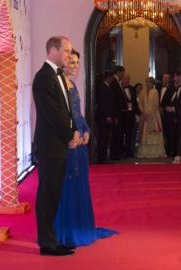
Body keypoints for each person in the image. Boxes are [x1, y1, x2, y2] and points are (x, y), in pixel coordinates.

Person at [54, 49, 117, 247]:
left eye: (77, 63)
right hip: (70, 139)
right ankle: (67, 230)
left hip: (81, 140)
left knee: (80, 184)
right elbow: (60, 116)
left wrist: (87, 130)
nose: (74, 66)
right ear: (63, 62)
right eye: (71, 62)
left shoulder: (72, 84)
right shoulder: (58, 85)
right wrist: (72, 135)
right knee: (68, 184)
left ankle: (80, 226)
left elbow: (78, 113)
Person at [32, 36, 79, 256]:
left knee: (54, 194)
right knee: (47, 195)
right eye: (66, 51)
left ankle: (52, 239)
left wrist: (75, 131)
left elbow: (66, 112)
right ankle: (47, 244)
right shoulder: (43, 78)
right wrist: (70, 134)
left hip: (59, 144)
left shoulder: (57, 76)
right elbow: (52, 114)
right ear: (53, 50)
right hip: (51, 146)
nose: (69, 55)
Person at [136, 77, 167, 158]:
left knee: (154, 132)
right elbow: (140, 103)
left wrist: (148, 113)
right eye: (146, 82)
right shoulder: (142, 92)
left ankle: (155, 153)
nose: (147, 84)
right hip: (144, 115)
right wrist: (143, 111)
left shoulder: (155, 91)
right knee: (144, 133)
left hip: (153, 115)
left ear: (153, 84)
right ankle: (145, 153)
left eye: (149, 82)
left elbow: (155, 104)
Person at [96, 71, 114, 163]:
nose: (113, 80)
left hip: (106, 116)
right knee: (103, 137)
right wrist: (107, 115)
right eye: (112, 78)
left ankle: (103, 157)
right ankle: (101, 158)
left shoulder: (106, 86)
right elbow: (103, 103)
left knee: (106, 137)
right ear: (108, 77)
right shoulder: (102, 87)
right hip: (103, 117)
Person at [110, 65, 127, 160]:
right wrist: (115, 116)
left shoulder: (117, 82)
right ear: (119, 72)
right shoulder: (113, 82)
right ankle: (114, 154)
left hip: (119, 113)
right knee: (116, 134)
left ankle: (117, 153)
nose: (123, 75)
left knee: (118, 134)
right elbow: (114, 100)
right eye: (123, 73)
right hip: (117, 113)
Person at [121, 73, 140, 157]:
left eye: (128, 79)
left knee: (130, 135)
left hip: (131, 116)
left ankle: (129, 151)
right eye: (125, 78)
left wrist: (137, 114)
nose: (127, 80)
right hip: (122, 115)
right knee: (121, 135)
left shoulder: (132, 89)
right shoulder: (119, 88)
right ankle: (122, 151)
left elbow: (135, 102)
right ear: (122, 79)